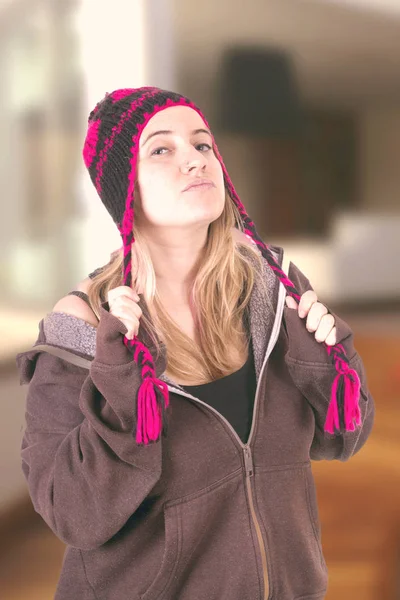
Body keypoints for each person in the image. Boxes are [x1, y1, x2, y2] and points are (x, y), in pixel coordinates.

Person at [16, 87, 375, 600]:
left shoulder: (275, 291)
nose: (195, 160)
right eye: (161, 149)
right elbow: (75, 514)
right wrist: (119, 394)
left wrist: (325, 365)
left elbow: (342, 440)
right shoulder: (84, 327)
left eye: (203, 145)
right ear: (123, 188)